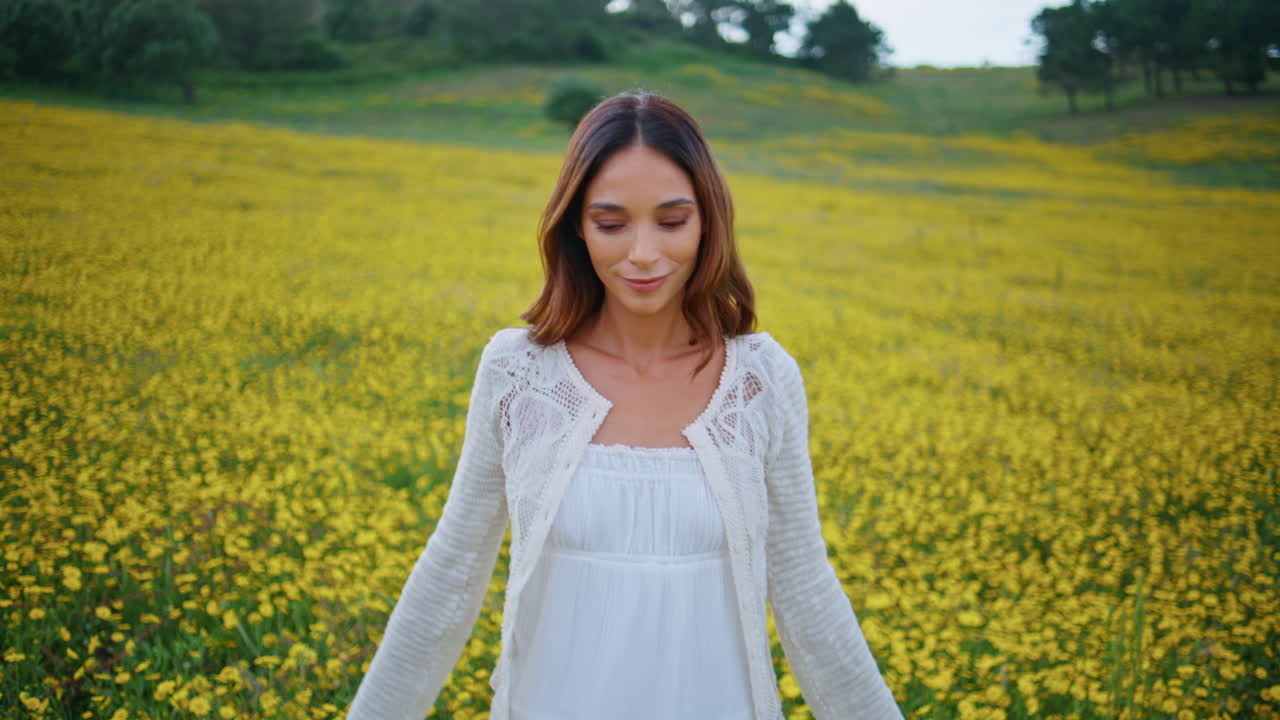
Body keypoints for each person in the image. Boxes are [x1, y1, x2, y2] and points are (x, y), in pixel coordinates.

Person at [344, 91, 905, 720]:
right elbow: (450, 575)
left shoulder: (761, 380)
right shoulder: (516, 372)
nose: (642, 254)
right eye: (612, 224)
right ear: (577, 228)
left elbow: (806, 588)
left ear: (708, 222)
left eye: (671, 222)